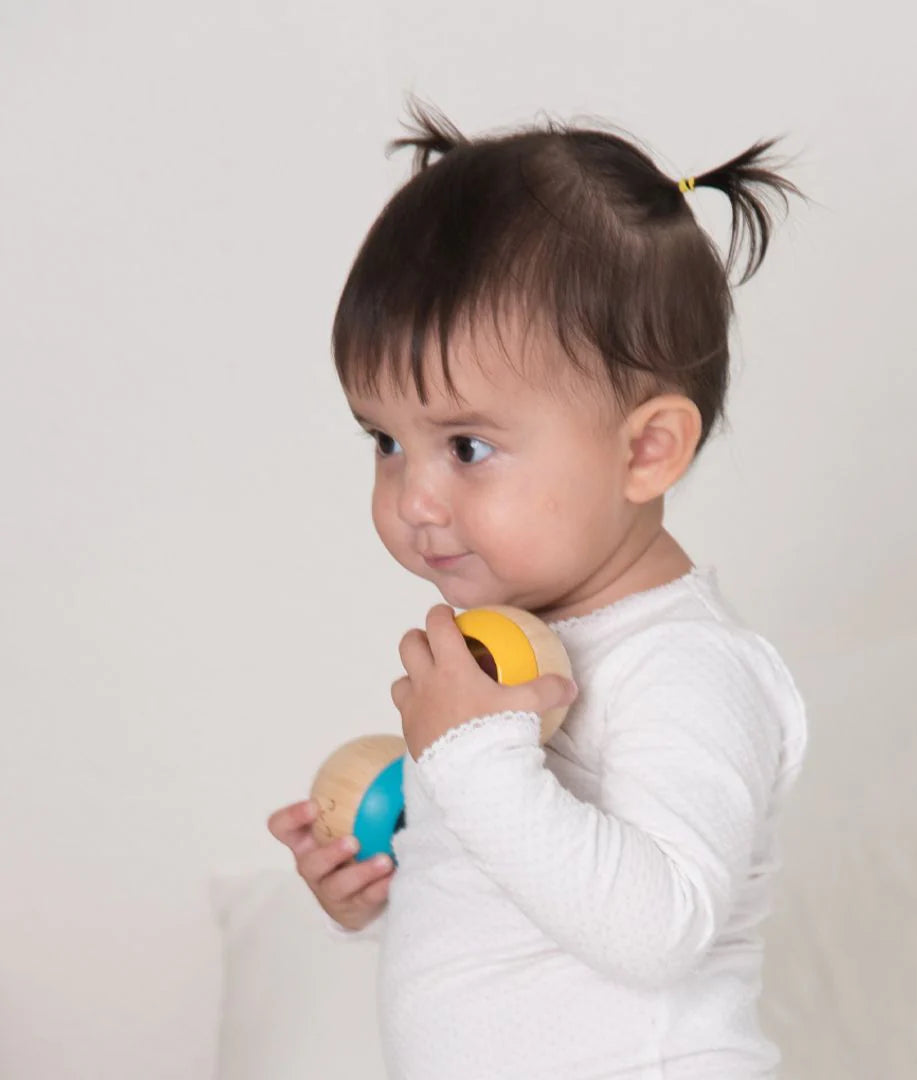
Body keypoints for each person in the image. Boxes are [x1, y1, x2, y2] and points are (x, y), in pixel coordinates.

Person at [267, 98, 809, 1079]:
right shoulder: (510, 652)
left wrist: (469, 763)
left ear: (647, 449)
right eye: (386, 440)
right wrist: (382, 876)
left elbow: (660, 927)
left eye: (467, 446)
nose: (414, 498)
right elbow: (514, 903)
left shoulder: (684, 665)